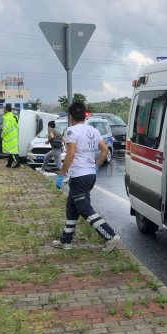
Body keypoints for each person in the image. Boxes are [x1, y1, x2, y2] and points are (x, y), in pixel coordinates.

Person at [53, 101, 121, 252]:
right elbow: (105, 151)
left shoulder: (71, 131)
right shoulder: (94, 131)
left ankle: (110, 236)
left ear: (70, 116)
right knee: (72, 207)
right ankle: (66, 241)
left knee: (84, 208)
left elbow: (70, 154)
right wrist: (96, 166)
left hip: (79, 176)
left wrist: (61, 174)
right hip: (90, 174)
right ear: (85, 115)